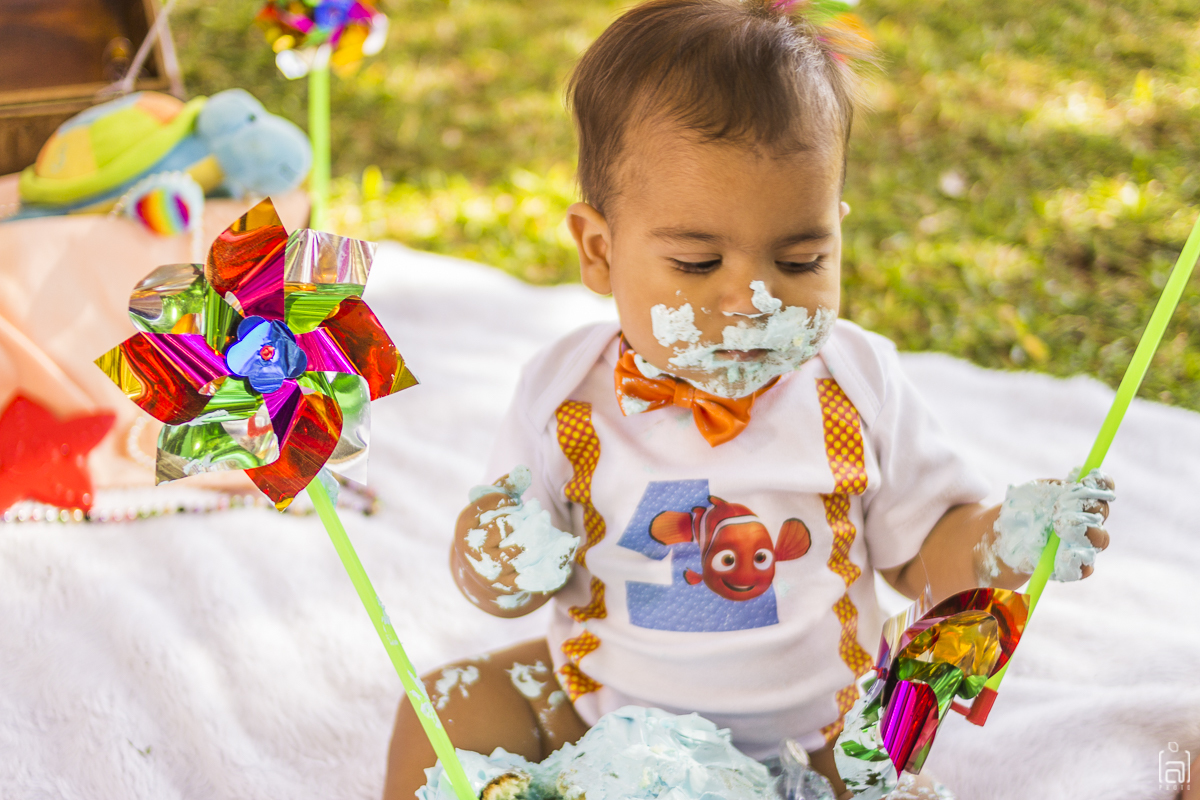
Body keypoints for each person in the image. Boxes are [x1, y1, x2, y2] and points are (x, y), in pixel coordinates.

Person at [382, 1, 1114, 797]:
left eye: (801, 261)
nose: (750, 301)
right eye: (697, 264)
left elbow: (923, 556)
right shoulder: (564, 395)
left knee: (889, 777)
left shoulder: (856, 384)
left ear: (837, 233)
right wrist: (498, 556)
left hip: (821, 734)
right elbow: (504, 588)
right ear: (600, 250)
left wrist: (1006, 539)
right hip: (604, 716)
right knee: (443, 707)